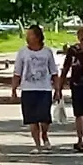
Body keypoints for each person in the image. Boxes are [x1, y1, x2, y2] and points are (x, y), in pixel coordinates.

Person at [11, 25, 59, 153]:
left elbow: (54, 72)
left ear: (37, 37)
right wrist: (14, 89)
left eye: (30, 35)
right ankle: (37, 145)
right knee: (32, 119)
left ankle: (44, 135)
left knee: (44, 118)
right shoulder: (23, 52)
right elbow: (17, 72)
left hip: (44, 89)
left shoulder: (47, 52)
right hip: (28, 89)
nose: (27, 37)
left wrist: (57, 90)